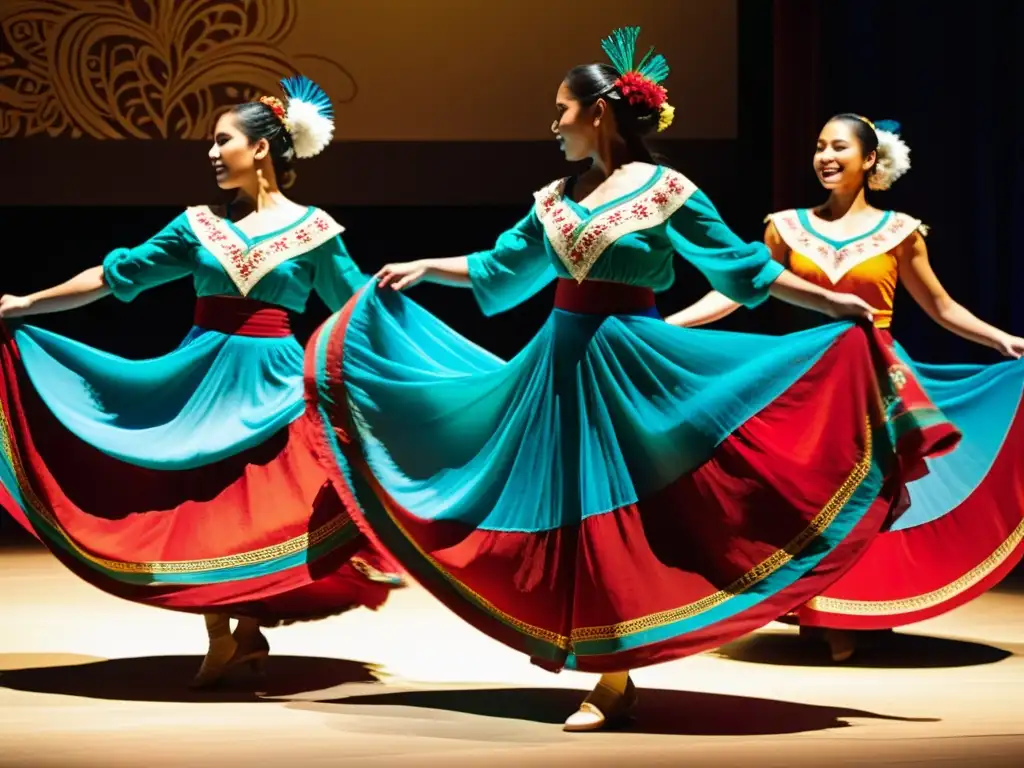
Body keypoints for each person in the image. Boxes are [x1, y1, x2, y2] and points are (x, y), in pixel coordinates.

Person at [301, 29, 959, 731]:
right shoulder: (555, 197)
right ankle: (600, 666)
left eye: (563, 110)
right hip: (559, 366)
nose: (554, 124)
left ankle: (612, 675)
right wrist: (429, 266)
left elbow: (743, 268)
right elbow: (503, 267)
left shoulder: (667, 191)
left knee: (630, 516)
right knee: (568, 518)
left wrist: (831, 302)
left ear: (600, 113)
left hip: (633, 364)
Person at [0, 76, 402, 688]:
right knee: (198, 507)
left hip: (276, 385)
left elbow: (357, 307)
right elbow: (117, 275)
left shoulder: (314, 231)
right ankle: (221, 634)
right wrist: (27, 303)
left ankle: (244, 634)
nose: (212, 153)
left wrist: (409, 363)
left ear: (262, 148)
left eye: (223, 141)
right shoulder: (198, 227)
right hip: (202, 382)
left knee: (270, 508)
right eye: (210, 144)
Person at [666, 114, 1024, 662]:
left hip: (874, 379)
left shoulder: (900, 232)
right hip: (808, 379)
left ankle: (851, 610)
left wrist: (1005, 341)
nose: (825, 157)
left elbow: (941, 306)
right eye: (818, 147)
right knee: (806, 495)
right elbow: (740, 290)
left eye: (838, 147)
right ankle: (809, 605)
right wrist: (672, 325)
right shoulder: (784, 227)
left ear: (869, 161)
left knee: (868, 493)